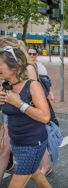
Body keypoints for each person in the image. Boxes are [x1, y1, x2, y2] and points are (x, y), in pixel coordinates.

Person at [0, 46, 52, 187]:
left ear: (14, 68)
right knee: (35, 175)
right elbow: (8, 115)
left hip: (33, 144)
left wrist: (19, 103)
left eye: (0, 64)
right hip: (17, 143)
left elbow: (45, 117)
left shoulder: (32, 86)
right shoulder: (6, 87)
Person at [0, 36, 39, 183]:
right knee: (4, 149)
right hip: (9, 113)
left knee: (23, 160)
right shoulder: (5, 67)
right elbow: (5, 85)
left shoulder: (28, 68)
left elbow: (35, 97)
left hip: (25, 117)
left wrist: (18, 103)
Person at [28, 47, 56, 176]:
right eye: (30, 53)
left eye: (34, 54)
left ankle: (45, 165)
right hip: (25, 106)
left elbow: (45, 84)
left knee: (39, 134)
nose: (32, 55)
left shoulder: (39, 67)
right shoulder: (23, 66)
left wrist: (50, 94)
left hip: (35, 104)